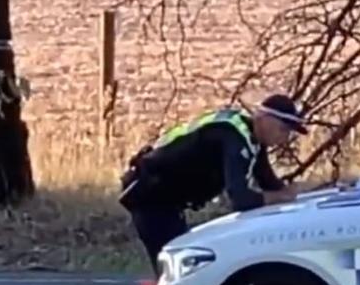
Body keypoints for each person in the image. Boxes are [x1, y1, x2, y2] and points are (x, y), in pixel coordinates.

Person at [119, 94, 307, 271]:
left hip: (168, 200)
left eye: (289, 132)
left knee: (183, 266)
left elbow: (271, 185)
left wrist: (299, 196)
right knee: (177, 269)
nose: (285, 138)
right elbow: (241, 199)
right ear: (263, 118)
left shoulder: (252, 141)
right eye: (283, 129)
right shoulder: (233, 137)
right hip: (150, 195)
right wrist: (281, 196)